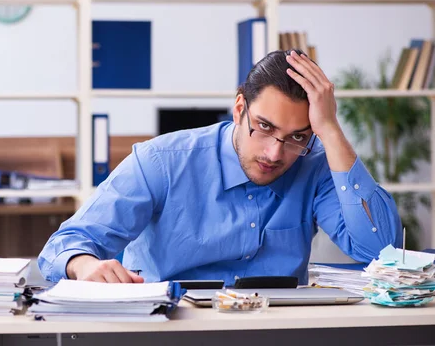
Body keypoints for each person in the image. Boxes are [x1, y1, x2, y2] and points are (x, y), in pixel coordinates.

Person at [38, 49, 402, 285]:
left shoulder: (315, 163)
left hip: (277, 332)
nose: (275, 153)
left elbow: (381, 250)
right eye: (265, 128)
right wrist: (83, 265)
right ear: (240, 109)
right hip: (171, 330)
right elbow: (66, 244)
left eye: (296, 136)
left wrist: (330, 131)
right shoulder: (161, 161)